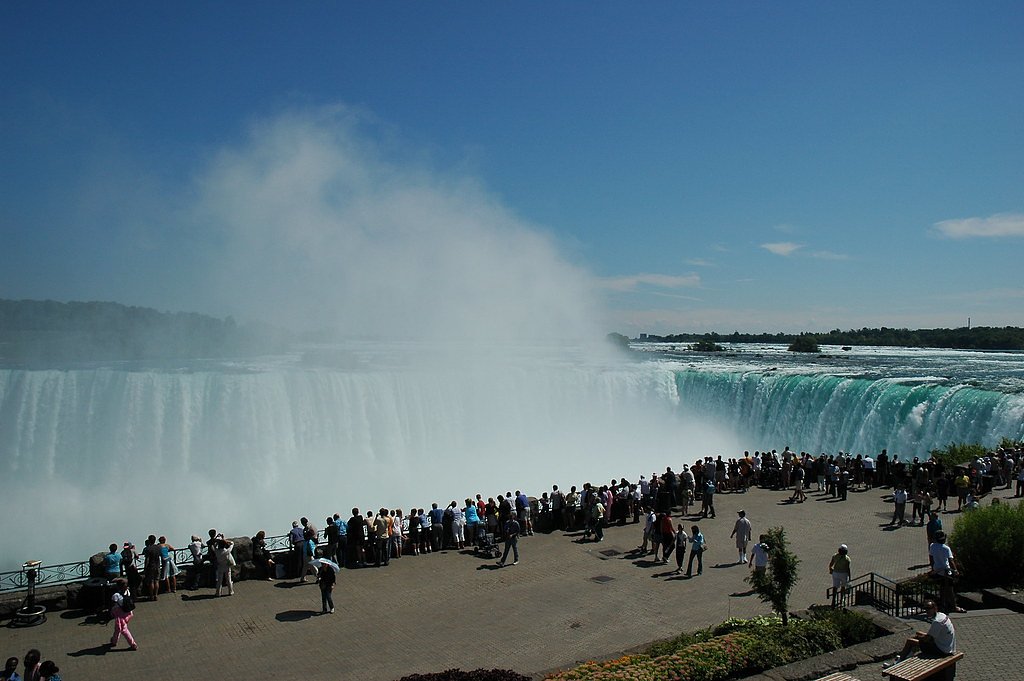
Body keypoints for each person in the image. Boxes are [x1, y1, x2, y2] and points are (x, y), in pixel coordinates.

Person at [888, 600, 955, 667]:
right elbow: (930, 636)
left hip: (942, 651)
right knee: (918, 633)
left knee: (910, 641)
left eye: (929, 608)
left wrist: (918, 637)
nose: (927, 611)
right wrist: (918, 636)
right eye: (925, 609)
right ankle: (910, 654)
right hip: (948, 646)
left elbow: (927, 639)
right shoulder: (942, 615)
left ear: (935, 608)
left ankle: (899, 661)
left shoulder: (937, 622)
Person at [929, 531, 964, 614]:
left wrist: (933, 568)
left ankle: (942, 606)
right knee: (950, 590)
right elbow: (951, 561)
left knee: (942, 589)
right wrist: (955, 571)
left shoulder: (932, 546)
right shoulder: (946, 548)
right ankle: (953, 606)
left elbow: (931, 559)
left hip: (937, 571)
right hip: (946, 571)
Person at [141, 534, 162, 600]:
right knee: (156, 581)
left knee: (151, 581)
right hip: (157, 565)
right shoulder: (158, 547)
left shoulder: (148, 549)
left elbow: (147, 559)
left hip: (151, 566)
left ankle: (151, 595)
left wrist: (145, 568)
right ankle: (156, 595)